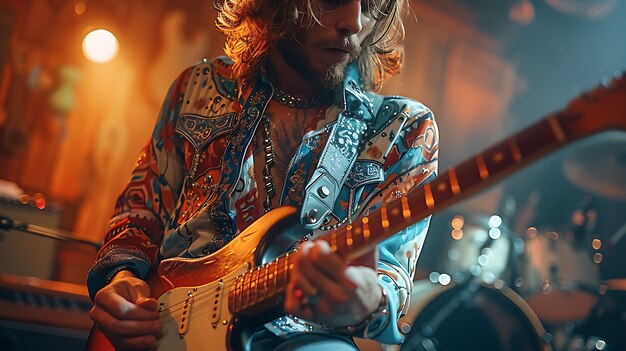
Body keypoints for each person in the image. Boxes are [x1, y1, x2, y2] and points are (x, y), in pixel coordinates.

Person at [87, 0, 439, 350]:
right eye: (333, 0)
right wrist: (122, 279)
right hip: (162, 330)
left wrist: (366, 299)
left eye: (371, 6)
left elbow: (392, 274)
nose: (354, 22)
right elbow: (140, 210)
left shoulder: (402, 129)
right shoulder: (196, 87)